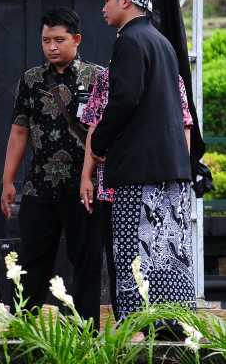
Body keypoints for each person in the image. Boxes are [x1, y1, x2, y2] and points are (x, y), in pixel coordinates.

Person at [91, 0, 196, 323]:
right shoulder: (162, 42)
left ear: (126, 0)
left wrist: (99, 142)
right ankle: (175, 325)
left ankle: (136, 329)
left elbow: (124, 99)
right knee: (168, 251)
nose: (103, 7)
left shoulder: (129, 41)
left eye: (107, 0)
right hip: (171, 169)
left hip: (139, 170)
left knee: (133, 251)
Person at [0, 7, 103, 324]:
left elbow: (104, 132)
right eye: (46, 40)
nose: (52, 47)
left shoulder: (97, 77)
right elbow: (19, 129)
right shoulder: (31, 80)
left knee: (85, 262)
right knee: (31, 262)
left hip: (83, 186)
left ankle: (86, 331)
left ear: (77, 39)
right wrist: (8, 181)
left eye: (59, 39)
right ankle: (24, 331)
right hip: (39, 185)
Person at [80, 68, 193, 320]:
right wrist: (86, 175)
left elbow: (185, 124)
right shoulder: (107, 79)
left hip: (160, 185)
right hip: (113, 185)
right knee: (120, 261)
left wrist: (182, 170)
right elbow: (94, 127)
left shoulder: (171, 78)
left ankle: (166, 321)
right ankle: (128, 323)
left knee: (164, 255)